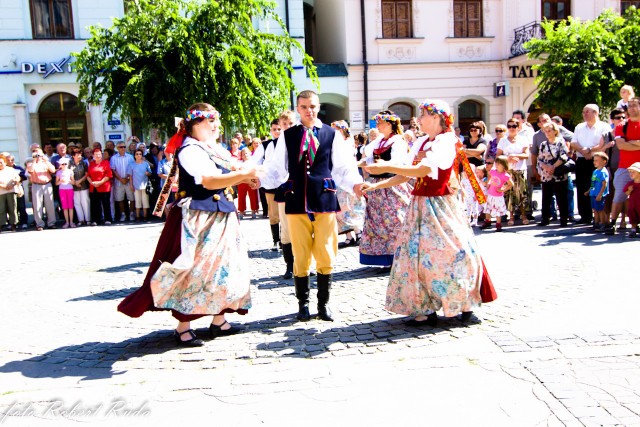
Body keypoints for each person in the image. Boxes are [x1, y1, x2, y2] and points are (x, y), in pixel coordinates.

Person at [118, 103, 260, 346]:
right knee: (192, 270)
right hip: (197, 218)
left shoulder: (213, 148)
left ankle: (219, 320)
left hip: (221, 214)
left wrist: (249, 176)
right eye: (211, 121)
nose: (217, 126)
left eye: (217, 121)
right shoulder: (189, 150)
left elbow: (233, 167)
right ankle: (183, 326)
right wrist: (244, 176)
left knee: (222, 268)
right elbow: (209, 181)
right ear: (196, 124)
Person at [362, 99, 485, 326]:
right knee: (415, 257)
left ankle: (464, 303)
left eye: (424, 114)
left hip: (441, 205)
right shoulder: (420, 143)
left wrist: (386, 166)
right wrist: (377, 185)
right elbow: (408, 175)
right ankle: (424, 308)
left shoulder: (447, 141)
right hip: (419, 205)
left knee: (454, 252)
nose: (419, 118)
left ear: (438, 118)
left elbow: (424, 169)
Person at [259, 90, 364, 322]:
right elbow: (276, 168)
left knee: (326, 253)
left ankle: (323, 304)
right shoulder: (288, 136)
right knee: (301, 254)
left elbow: (343, 167)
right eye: (304, 106)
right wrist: (260, 179)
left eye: (313, 106)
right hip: (296, 200)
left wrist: (355, 184)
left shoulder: (331, 134)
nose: (309, 110)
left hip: (324, 200)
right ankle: (303, 304)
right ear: (298, 108)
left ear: (318, 106)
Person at [359, 110, 411, 270]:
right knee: (377, 222)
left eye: (381, 122)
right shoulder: (380, 141)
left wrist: (382, 164)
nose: (378, 125)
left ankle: (400, 257)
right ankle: (385, 258)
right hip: (376, 188)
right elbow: (367, 155)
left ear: (389, 124)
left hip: (391, 186)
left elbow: (399, 162)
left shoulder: (398, 141)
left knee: (395, 220)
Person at [571, 104, 610, 225]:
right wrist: (583, 151)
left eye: (587, 112)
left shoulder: (604, 126)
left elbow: (603, 144)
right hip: (582, 159)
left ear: (596, 113)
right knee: (582, 187)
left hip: (597, 160)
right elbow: (573, 142)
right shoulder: (579, 127)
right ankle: (585, 216)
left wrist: (590, 150)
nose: (585, 114)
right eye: (584, 112)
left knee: (597, 187)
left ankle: (599, 216)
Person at [247, 119, 282, 248]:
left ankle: (286, 241)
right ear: (271, 130)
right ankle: (276, 240)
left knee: (286, 214)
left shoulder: (289, 143)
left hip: (286, 184)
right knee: (273, 214)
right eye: (274, 129)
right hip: (271, 183)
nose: (277, 131)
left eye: (279, 129)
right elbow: (254, 161)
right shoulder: (266, 145)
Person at [331, 120, 366, 247]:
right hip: (337, 178)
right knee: (341, 209)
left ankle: (358, 231)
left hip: (348, 177)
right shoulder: (336, 142)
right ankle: (348, 235)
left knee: (351, 207)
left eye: (335, 129)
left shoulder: (347, 142)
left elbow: (346, 161)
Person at [611, 98, 640, 233]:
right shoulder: (621, 126)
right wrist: (637, 142)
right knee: (619, 196)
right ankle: (612, 223)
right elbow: (621, 145)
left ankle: (635, 225)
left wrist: (630, 142)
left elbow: (625, 144)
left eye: (635, 105)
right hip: (624, 167)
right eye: (630, 106)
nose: (632, 108)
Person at [536, 122, 571, 227]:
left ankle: (564, 219)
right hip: (546, 174)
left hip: (558, 173)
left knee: (561, 197)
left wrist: (553, 166)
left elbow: (564, 156)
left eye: (549, 130)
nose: (547, 133)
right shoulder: (543, 144)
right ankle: (545, 218)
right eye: (545, 131)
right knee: (546, 197)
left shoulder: (560, 142)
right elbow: (540, 158)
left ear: (555, 131)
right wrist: (546, 167)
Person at [497, 118, 530, 226]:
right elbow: (498, 156)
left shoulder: (523, 139)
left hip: (520, 170)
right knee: (509, 194)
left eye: (514, 126)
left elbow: (526, 154)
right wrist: (508, 159)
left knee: (522, 193)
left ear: (518, 127)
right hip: (508, 171)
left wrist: (516, 156)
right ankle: (511, 216)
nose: (511, 128)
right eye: (509, 126)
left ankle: (523, 215)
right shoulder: (503, 141)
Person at [27, 148, 56, 230]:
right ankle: (39, 224)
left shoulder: (46, 162)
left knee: (50, 204)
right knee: (37, 205)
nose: (39, 156)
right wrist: (34, 160)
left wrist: (46, 160)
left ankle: (51, 223)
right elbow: (30, 170)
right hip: (36, 185)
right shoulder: (31, 163)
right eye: (37, 155)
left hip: (47, 184)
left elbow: (53, 170)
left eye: (40, 154)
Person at [481, 155, 513, 231]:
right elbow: (489, 175)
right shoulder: (493, 171)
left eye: (499, 164)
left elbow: (511, 184)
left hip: (498, 196)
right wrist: (488, 183)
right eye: (496, 163)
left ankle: (498, 224)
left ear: (504, 165)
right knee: (488, 208)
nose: (496, 165)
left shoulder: (505, 175)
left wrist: (503, 189)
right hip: (490, 194)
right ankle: (487, 221)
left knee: (498, 210)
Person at [87, 148, 113, 226]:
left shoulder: (106, 163)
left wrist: (100, 182)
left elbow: (109, 175)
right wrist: (92, 183)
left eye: (99, 154)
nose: (98, 156)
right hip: (94, 187)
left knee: (106, 203)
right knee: (95, 204)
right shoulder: (91, 164)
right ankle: (95, 220)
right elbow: (88, 175)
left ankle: (108, 219)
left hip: (104, 186)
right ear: (93, 156)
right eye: (96, 154)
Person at [111, 141, 135, 222]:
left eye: (124, 147)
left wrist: (127, 178)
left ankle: (131, 213)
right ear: (117, 148)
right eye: (121, 147)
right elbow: (113, 170)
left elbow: (132, 168)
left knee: (131, 197)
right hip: (118, 181)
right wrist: (121, 179)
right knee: (119, 198)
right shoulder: (113, 158)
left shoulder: (130, 157)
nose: (123, 148)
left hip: (129, 180)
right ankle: (123, 214)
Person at [585, 152, 610, 231]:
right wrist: (588, 191)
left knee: (600, 209)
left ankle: (602, 223)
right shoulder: (595, 171)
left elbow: (604, 184)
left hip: (599, 194)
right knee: (595, 209)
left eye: (597, 160)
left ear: (604, 161)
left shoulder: (603, 172)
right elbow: (593, 183)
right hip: (593, 193)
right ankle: (596, 223)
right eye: (594, 160)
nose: (594, 162)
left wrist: (600, 194)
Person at [128, 148, 153, 221]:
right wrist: (131, 185)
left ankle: (145, 216)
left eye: (140, 154)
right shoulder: (131, 164)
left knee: (145, 201)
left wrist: (148, 173)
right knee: (137, 201)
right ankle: (137, 216)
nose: (138, 155)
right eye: (137, 154)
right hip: (136, 185)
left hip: (144, 185)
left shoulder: (145, 163)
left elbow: (150, 173)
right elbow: (130, 176)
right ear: (134, 155)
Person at [70, 148, 90, 226]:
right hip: (74, 186)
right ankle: (81, 219)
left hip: (83, 185)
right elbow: (68, 174)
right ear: (73, 156)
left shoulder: (84, 163)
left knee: (85, 202)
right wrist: (75, 182)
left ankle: (88, 219)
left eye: (80, 154)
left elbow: (86, 174)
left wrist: (79, 181)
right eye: (77, 155)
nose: (79, 156)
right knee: (77, 203)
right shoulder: (69, 163)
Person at [0, 154, 20, 232]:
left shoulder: (11, 169)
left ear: (5, 162)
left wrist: (12, 183)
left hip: (11, 191)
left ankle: (13, 224)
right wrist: (4, 186)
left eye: (1, 162)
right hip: (1, 192)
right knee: (1, 209)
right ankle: (2, 224)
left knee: (12, 208)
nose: (0, 164)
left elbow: (17, 178)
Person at [55, 158, 75, 228]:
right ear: (60, 164)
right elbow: (56, 183)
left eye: (65, 164)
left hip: (69, 189)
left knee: (71, 206)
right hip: (62, 190)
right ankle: (67, 222)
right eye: (62, 164)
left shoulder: (70, 171)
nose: (64, 165)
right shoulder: (59, 172)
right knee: (65, 207)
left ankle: (71, 222)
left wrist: (68, 180)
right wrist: (61, 181)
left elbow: (73, 182)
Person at [623, 162, 640, 238]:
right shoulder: (630, 183)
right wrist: (629, 190)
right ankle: (633, 229)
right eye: (630, 172)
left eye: (633, 172)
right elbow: (626, 193)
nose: (631, 174)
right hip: (633, 204)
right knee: (633, 216)